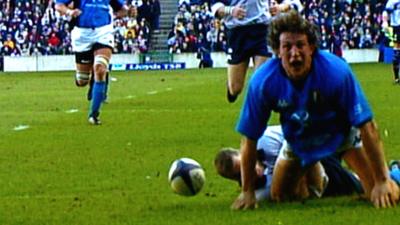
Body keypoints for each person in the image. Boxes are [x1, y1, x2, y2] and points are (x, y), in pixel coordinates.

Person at [233, 11, 399, 210]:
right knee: (281, 197)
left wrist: (381, 181)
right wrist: (247, 191)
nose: (294, 53)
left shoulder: (336, 72)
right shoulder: (263, 82)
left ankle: (394, 173)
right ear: (277, 50)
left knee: (382, 194)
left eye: (300, 45)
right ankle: (317, 177)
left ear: (311, 47)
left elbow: (367, 125)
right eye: (287, 46)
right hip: (297, 139)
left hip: (341, 135)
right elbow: (249, 138)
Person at [215, 125, 363, 203]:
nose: (252, 170)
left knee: (358, 185)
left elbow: (297, 145)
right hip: (312, 170)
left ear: (244, 152)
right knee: (354, 187)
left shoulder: (265, 140)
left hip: (316, 145)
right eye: (241, 173)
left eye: (246, 164)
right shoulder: (257, 192)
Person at [55, 0, 136, 125]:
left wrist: (128, 12)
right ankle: (90, 77)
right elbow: (59, 5)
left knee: (100, 69)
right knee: (82, 81)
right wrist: (70, 12)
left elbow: (121, 9)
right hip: (82, 35)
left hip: (103, 32)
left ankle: (94, 114)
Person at [211, 0, 303, 103]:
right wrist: (230, 10)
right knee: (235, 88)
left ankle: (257, 112)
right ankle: (232, 89)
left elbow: (294, 3)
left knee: (261, 81)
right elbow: (215, 6)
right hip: (237, 32)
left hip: (262, 30)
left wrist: (280, 7)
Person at [383, 0, 400, 84]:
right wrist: (385, 22)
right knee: (397, 52)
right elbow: (386, 12)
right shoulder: (392, 1)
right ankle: (397, 78)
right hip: (397, 27)